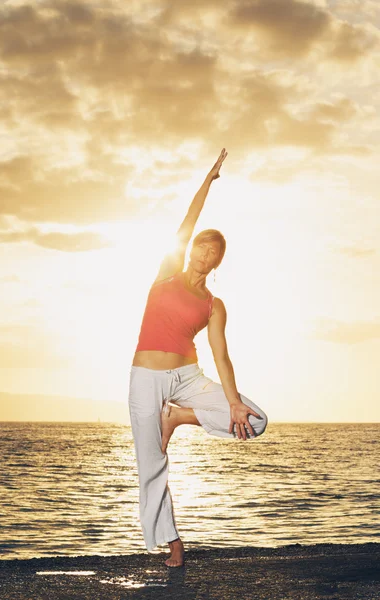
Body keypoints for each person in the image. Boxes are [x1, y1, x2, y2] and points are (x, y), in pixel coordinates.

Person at [128, 148, 268, 568]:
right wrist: (208, 180)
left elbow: (221, 357)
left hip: (188, 378)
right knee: (150, 463)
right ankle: (173, 543)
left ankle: (179, 417)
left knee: (255, 420)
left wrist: (235, 400)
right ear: (192, 249)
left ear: (218, 262)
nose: (205, 254)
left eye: (213, 252)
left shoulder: (214, 304)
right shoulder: (167, 271)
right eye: (202, 246)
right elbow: (188, 220)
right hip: (146, 377)